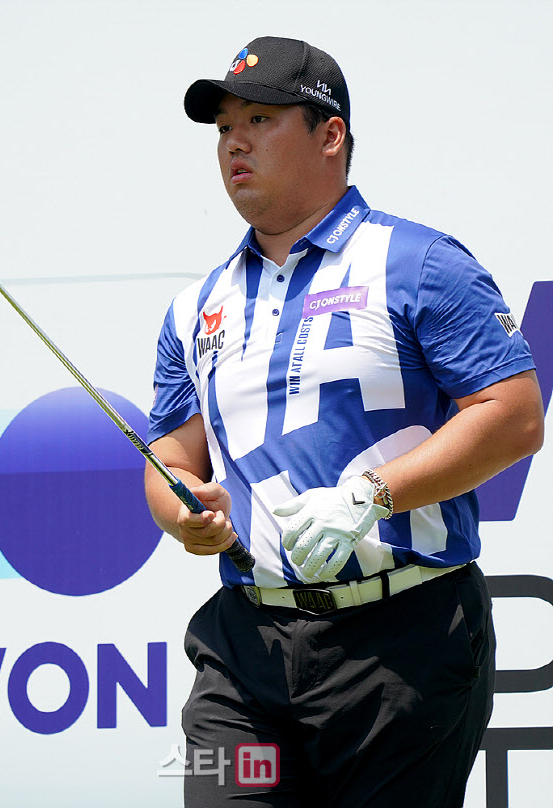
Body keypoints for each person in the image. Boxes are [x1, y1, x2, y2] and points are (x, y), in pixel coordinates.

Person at [144, 36, 545, 807]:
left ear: (330, 136)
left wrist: (372, 494)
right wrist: (184, 513)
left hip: (406, 645)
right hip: (243, 651)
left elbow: (514, 417)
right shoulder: (195, 306)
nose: (234, 142)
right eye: (224, 126)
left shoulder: (421, 260)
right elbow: (169, 458)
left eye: (260, 118)